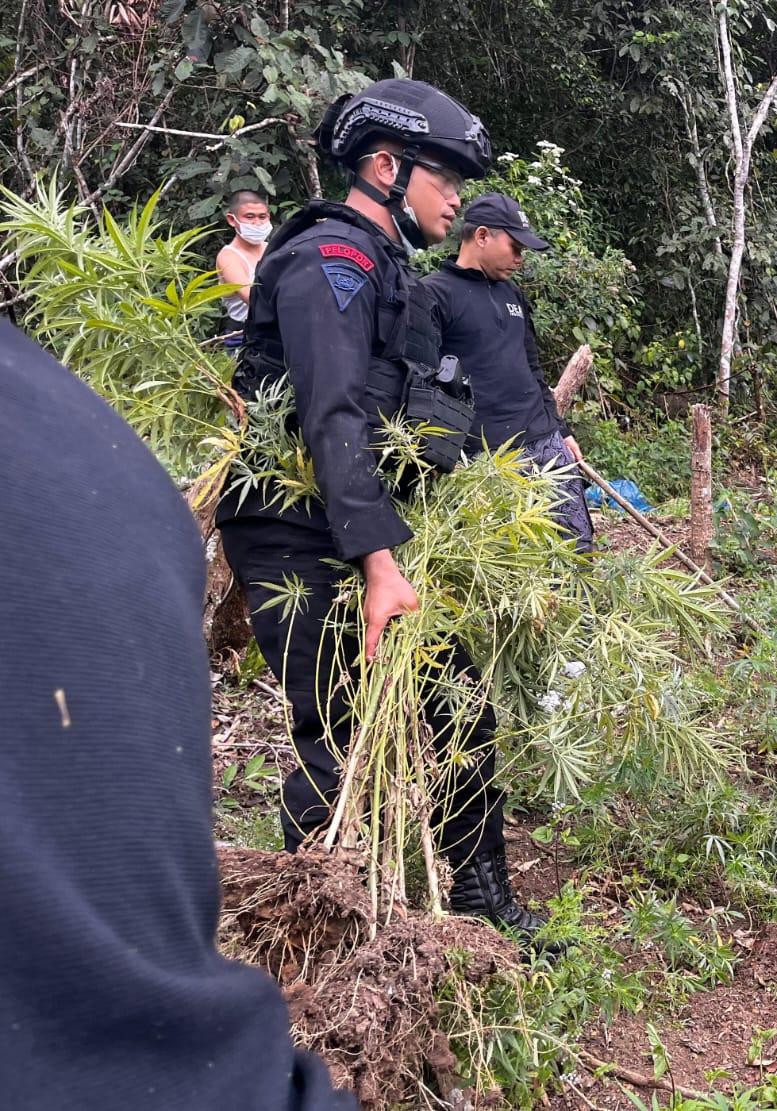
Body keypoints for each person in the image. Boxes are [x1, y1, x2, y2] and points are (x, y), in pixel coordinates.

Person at [220, 79, 554, 946]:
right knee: (330, 729)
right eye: (443, 177)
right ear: (384, 166)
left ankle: (483, 904)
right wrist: (377, 564)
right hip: (302, 531)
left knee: (459, 702)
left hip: (367, 525)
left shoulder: (389, 270)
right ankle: (319, 938)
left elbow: (390, 416)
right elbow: (331, 413)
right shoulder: (331, 260)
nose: (455, 197)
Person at [0, 320, 353, 1109]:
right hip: (304, 530)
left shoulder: (86, 461)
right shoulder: (87, 459)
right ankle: (317, 874)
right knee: (324, 713)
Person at [424, 192, 594, 550]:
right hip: (485, 456)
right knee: (512, 561)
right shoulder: (434, 295)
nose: (520, 259)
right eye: (515, 247)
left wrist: (561, 430)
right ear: (482, 236)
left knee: (576, 549)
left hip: (543, 439)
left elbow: (532, 366)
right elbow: (423, 383)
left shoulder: (512, 294)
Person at [216, 189, 272, 349]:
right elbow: (252, 298)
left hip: (274, 332)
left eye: (262, 216)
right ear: (232, 220)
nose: (257, 223)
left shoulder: (272, 249)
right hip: (243, 336)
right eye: (249, 217)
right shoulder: (228, 257)